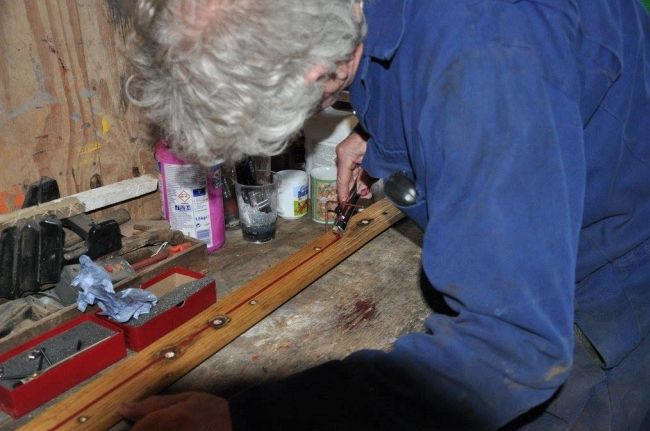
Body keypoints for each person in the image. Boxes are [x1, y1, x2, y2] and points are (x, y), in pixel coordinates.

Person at [122, 0, 650, 429]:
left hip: (604, 306)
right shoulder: (372, 17)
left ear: (317, 72)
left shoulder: (486, 61)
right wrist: (379, 131)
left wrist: (249, 419)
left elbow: (511, 351)